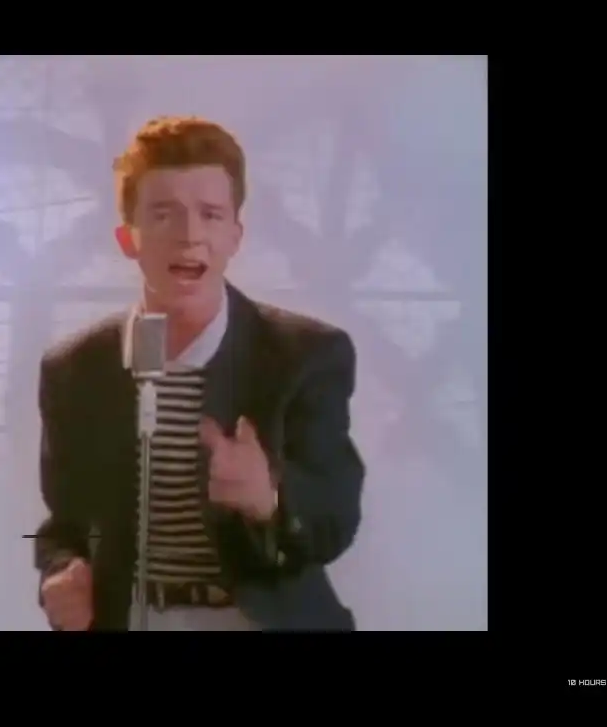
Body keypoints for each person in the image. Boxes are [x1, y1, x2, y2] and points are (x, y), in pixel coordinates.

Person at [33, 115, 365, 631]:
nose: (190, 235)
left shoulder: (306, 356)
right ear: (128, 238)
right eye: (163, 214)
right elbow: (64, 526)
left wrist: (270, 499)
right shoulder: (75, 371)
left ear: (235, 236)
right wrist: (60, 575)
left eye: (211, 215)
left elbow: (335, 519)